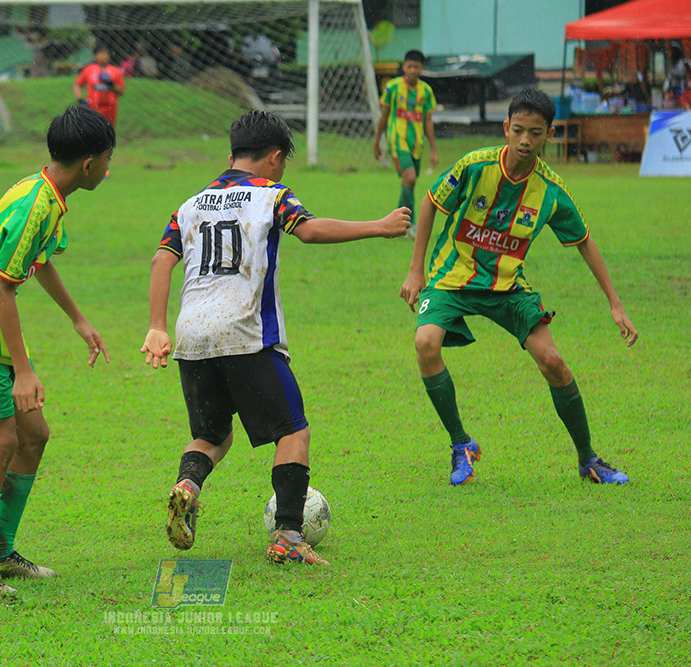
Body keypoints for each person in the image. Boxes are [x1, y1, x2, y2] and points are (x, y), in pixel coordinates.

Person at [141, 110, 410, 566]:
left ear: (230, 156)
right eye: (282, 162)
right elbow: (308, 230)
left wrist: (156, 325)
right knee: (293, 431)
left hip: (191, 336)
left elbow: (161, 261)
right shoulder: (271, 194)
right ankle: (288, 534)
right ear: (274, 157)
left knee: (212, 434)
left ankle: (188, 484)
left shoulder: (189, 206)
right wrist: (379, 226)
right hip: (247, 332)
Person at [398, 89, 639, 487]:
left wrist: (615, 304)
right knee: (426, 343)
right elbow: (429, 203)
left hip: (508, 285)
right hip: (452, 276)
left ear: (549, 134)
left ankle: (589, 460)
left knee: (553, 362)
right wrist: (415, 270)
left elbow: (584, 241)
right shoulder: (474, 166)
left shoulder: (551, 189)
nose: (526, 139)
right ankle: (461, 444)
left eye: (536, 132)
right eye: (519, 130)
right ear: (506, 127)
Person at [0, 104, 114, 594]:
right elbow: (1, 290)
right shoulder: (36, 203)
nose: (109, 170)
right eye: (109, 160)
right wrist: (26, 371)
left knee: (34, 436)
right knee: (3, 443)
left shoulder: (47, 195)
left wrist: (79, 319)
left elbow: (40, 262)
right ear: (91, 163)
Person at [373, 50, 438, 239]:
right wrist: (377, 141)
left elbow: (428, 121)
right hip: (397, 140)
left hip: (416, 143)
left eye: (416, 66)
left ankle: (396, 222)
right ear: (403, 67)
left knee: (410, 182)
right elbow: (384, 116)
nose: (412, 70)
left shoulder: (426, 91)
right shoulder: (392, 88)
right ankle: (411, 223)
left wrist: (433, 149)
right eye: (409, 66)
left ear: (422, 68)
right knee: (409, 178)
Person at [72, 43, 125, 127]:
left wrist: (111, 84)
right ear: (95, 56)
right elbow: (77, 85)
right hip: (93, 107)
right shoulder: (88, 69)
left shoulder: (115, 71)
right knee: (93, 131)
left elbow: (121, 91)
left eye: (106, 53)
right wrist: (80, 99)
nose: (105, 56)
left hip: (110, 108)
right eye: (101, 53)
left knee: (108, 131)